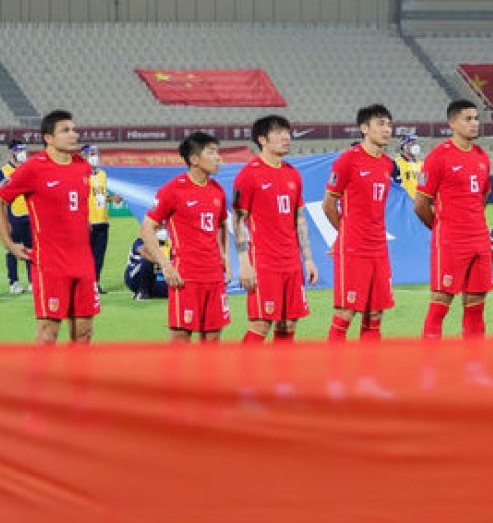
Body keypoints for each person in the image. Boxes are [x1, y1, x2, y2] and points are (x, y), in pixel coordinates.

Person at [0, 110, 98, 344]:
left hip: (83, 262)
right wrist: (9, 243)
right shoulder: (32, 168)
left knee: (84, 333)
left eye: (74, 129)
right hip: (51, 263)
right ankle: (41, 381)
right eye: (65, 130)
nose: (73, 135)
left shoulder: (83, 167)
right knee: (48, 333)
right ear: (48, 138)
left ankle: (78, 380)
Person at [232, 115, 318, 343]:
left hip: (291, 262)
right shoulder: (248, 175)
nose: (286, 137)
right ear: (262, 139)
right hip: (264, 262)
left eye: (287, 132)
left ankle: (281, 378)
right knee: (261, 323)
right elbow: (238, 220)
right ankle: (244, 377)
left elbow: (299, 219)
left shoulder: (293, 174)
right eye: (279, 132)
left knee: (289, 322)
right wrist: (244, 263)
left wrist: (307, 259)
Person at [140, 132, 231, 342]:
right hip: (186, 277)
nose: (219, 157)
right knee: (181, 339)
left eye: (218, 152)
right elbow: (146, 229)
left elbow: (221, 225)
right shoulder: (172, 190)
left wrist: (225, 256)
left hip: (214, 276)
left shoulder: (217, 191)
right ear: (194, 159)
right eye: (211, 152)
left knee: (213, 339)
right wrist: (165, 264)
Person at [414, 99, 493, 340]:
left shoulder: (482, 157)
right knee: (440, 302)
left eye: (476, 118)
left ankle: (473, 368)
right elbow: (420, 204)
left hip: (479, 240)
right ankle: (431, 368)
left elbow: (483, 196)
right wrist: (440, 227)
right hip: (451, 240)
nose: (474, 123)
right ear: (452, 123)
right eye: (468, 119)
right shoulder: (439, 157)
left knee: (476, 304)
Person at [322, 104, 397, 342]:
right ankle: (336, 376)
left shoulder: (387, 164)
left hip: (379, 248)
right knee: (346, 312)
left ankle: (367, 375)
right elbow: (328, 204)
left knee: (375, 315)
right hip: (354, 248)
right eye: (380, 124)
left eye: (388, 123)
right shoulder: (348, 160)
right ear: (364, 128)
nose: (387, 129)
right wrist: (346, 234)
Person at [81, 144, 121, 294]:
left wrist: (112, 198)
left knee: (99, 256)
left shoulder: (102, 174)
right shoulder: (81, 176)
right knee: (86, 257)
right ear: (84, 156)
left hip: (103, 220)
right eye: (91, 154)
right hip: (89, 223)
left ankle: (95, 283)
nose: (94, 157)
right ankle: (85, 284)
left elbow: (100, 196)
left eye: (95, 153)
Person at [0, 139, 32, 294]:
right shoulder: (4, 172)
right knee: (12, 249)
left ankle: (33, 281)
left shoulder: (29, 169)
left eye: (24, 149)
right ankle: (14, 281)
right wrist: (6, 222)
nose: (22, 153)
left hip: (30, 216)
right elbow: (0, 200)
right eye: (19, 150)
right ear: (11, 152)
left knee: (32, 250)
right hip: (14, 217)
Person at [124, 229, 171, 300]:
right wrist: (164, 264)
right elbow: (143, 252)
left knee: (174, 288)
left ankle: (150, 292)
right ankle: (142, 292)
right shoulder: (140, 241)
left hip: (154, 280)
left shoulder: (169, 244)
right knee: (147, 260)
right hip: (134, 278)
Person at [394, 133, 423, 200]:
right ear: (404, 146)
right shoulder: (396, 163)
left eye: (415, 143)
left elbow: (422, 185)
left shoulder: (420, 164)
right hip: (403, 203)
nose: (415, 146)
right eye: (411, 143)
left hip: (417, 204)